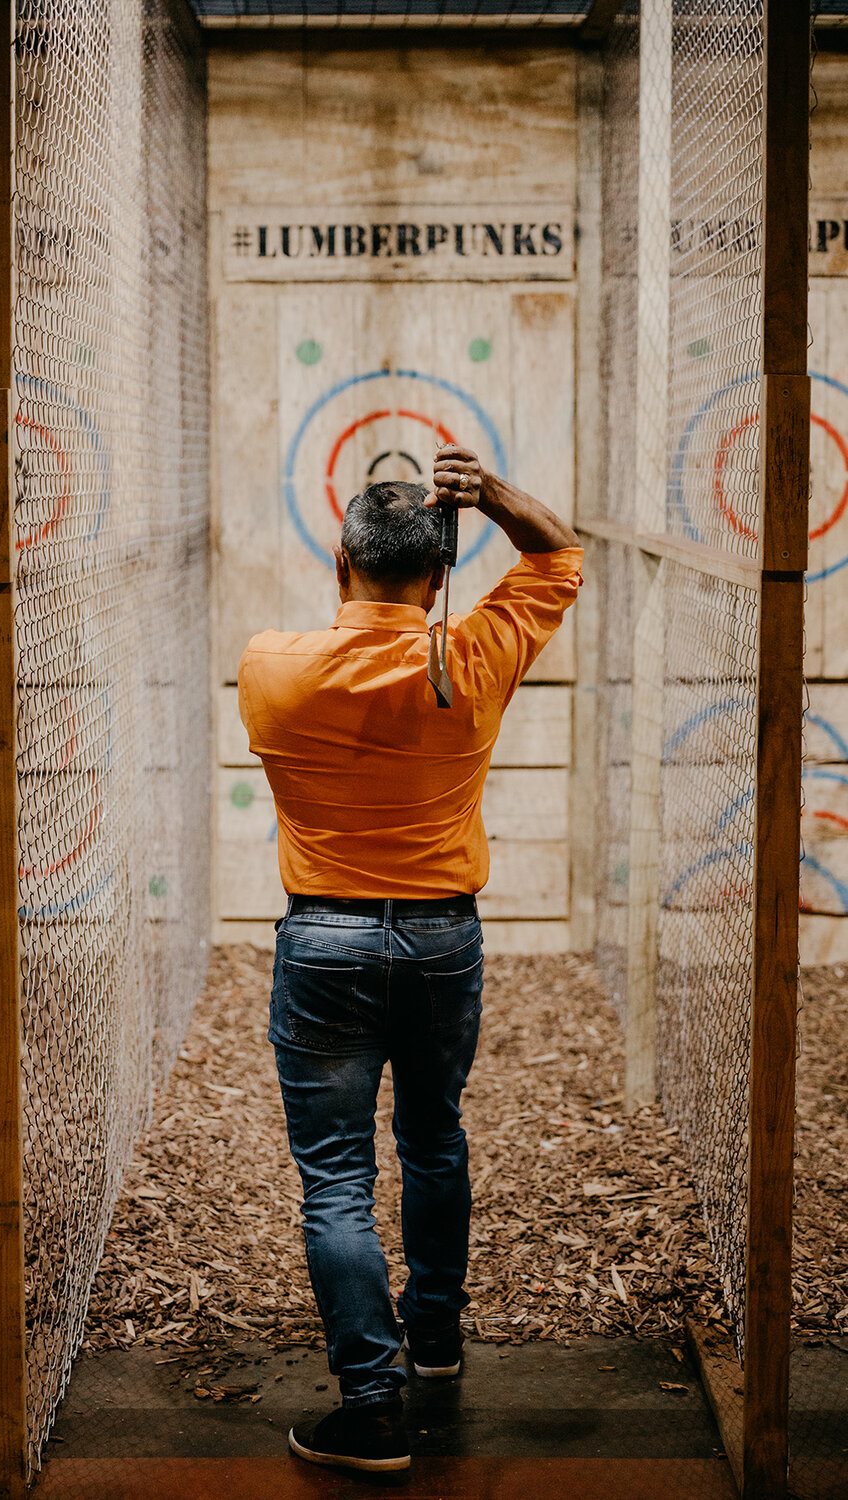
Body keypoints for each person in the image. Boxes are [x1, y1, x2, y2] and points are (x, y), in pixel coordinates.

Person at [237, 443, 582, 1474]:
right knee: (433, 1137)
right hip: (441, 939)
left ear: (340, 565)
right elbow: (559, 558)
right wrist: (493, 498)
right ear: (440, 576)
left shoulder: (270, 664)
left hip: (324, 940)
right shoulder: (467, 654)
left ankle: (373, 1403)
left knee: (336, 1182)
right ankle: (433, 1334)